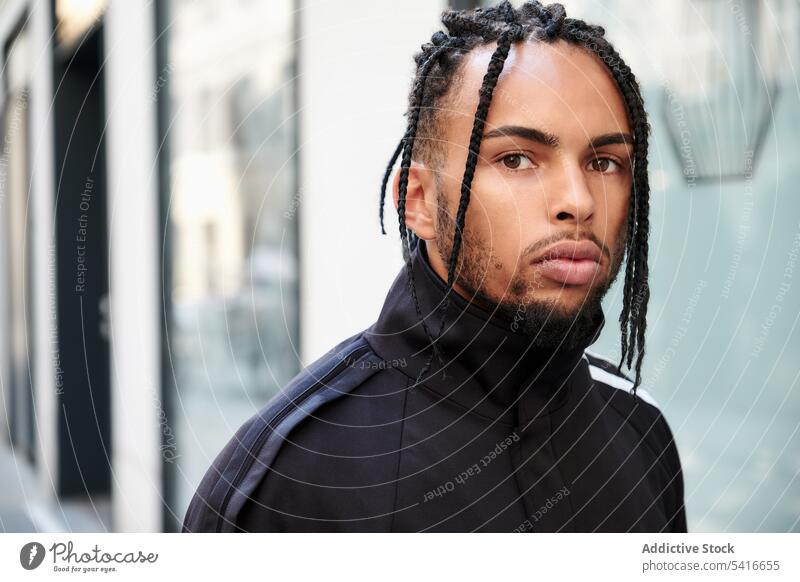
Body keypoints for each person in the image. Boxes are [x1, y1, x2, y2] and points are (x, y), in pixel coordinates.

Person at [182, 0, 687, 533]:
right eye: (516, 158)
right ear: (418, 200)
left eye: (604, 163)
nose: (578, 200)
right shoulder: (295, 477)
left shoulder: (637, 429)